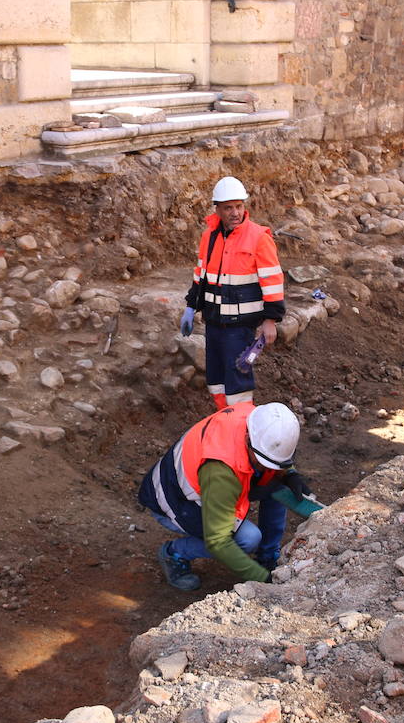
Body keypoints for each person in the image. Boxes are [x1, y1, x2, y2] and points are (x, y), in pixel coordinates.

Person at [138, 401, 322, 591]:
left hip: (204, 482)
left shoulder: (259, 422)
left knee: (278, 485)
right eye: (264, 461)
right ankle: (173, 553)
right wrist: (264, 580)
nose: (268, 466)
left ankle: (268, 556)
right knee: (247, 539)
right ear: (248, 439)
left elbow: (273, 452)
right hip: (174, 500)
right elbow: (218, 541)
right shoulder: (221, 471)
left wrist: (289, 474)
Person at [179, 176, 285, 409]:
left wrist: (270, 320)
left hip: (241, 328)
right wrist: (190, 305)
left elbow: (273, 281)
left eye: (239, 206)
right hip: (214, 323)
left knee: (238, 384)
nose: (235, 212)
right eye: (228, 208)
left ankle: (240, 431)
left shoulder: (258, 237)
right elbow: (202, 275)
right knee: (216, 381)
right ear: (217, 209)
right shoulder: (209, 237)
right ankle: (224, 419)